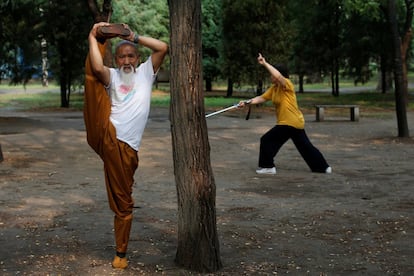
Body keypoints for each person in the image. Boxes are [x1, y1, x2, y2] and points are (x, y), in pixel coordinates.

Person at [84, 22, 168, 269]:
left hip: (129, 147)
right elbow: (97, 67)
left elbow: (163, 47)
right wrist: (92, 36)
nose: (126, 60)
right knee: (124, 201)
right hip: (109, 134)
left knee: (124, 193)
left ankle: (122, 243)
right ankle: (121, 252)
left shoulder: (145, 72)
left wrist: (134, 36)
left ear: (138, 58)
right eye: (121, 56)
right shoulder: (113, 75)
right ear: (117, 59)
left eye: (131, 55)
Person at [239, 53, 331, 175]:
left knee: (267, 140)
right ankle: (323, 167)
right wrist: (246, 103)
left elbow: (278, 76)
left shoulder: (286, 84)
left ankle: (268, 167)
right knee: (305, 146)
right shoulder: (274, 88)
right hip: (294, 122)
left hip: (288, 122)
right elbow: (261, 98)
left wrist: (265, 63)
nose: (271, 77)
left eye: (272, 75)